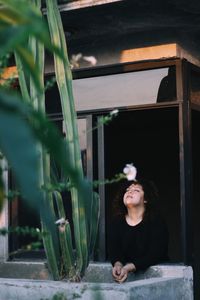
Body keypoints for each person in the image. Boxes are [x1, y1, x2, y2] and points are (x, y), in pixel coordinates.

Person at [108, 178, 169, 283]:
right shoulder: (116, 222)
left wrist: (129, 267)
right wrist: (118, 265)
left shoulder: (156, 221)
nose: (130, 191)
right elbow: (114, 250)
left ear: (145, 199)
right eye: (127, 190)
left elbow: (156, 253)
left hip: (156, 280)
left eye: (136, 190)